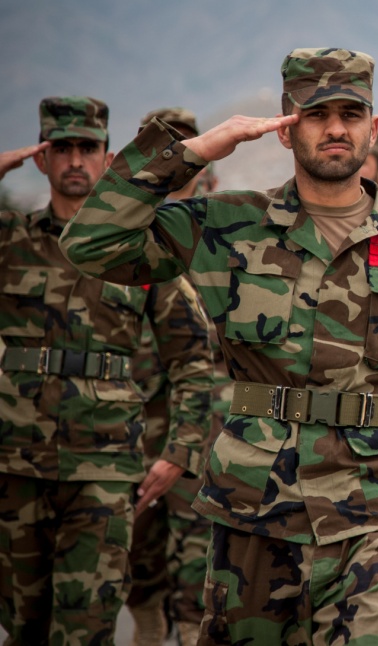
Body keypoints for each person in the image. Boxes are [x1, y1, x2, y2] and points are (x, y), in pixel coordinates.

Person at [60, 49, 378, 644]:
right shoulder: (228, 227)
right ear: (286, 126)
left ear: (373, 127)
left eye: (351, 113)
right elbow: (90, 242)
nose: (336, 128)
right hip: (254, 518)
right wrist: (193, 153)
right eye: (316, 114)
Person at [0, 97, 212, 645]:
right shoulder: (11, 240)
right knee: (22, 627)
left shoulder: (140, 253)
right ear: (42, 160)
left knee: (87, 628)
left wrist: (179, 452)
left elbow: (192, 356)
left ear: (108, 157)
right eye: (61, 147)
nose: (76, 159)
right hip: (14, 462)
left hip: (104, 469)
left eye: (87, 148)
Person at [124, 106, 225, 646]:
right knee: (136, 566)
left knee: (195, 566)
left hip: (199, 431)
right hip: (127, 428)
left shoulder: (217, 234)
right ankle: (147, 626)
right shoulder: (123, 235)